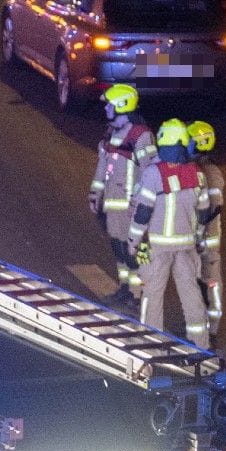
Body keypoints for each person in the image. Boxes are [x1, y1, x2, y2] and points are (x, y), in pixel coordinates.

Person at [127, 118, 211, 347]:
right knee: (191, 295)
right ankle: (200, 344)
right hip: (186, 247)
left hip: (156, 247)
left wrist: (133, 241)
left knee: (152, 296)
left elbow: (142, 213)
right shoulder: (197, 174)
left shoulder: (154, 173)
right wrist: (199, 238)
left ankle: (150, 345)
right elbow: (203, 213)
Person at [89, 84, 156, 304]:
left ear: (122, 105)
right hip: (113, 203)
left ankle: (141, 294)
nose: (106, 107)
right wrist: (95, 192)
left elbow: (150, 172)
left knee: (137, 249)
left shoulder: (141, 136)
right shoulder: (111, 132)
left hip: (131, 205)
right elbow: (103, 164)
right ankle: (125, 287)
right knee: (118, 246)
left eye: (110, 104)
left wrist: (141, 200)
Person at [186, 120, 224, 345]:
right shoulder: (199, 169)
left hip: (207, 240)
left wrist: (200, 231)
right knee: (197, 281)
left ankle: (211, 329)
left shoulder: (210, 173)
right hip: (198, 238)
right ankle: (201, 323)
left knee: (211, 283)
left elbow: (214, 207)